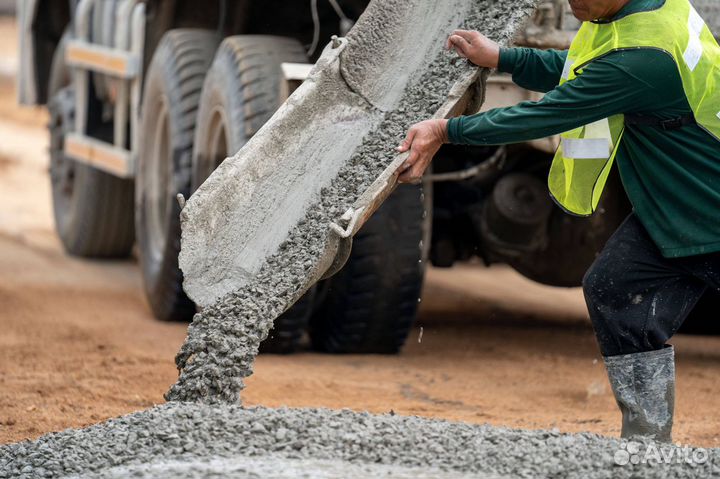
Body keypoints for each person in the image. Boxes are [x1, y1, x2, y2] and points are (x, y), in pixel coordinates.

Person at [397, 0, 720, 442]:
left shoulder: (645, 59)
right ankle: (647, 443)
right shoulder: (647, 16)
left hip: (709, 210)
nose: (571, 3)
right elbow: (586, 65)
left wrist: (446, 131)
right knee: (615, 288)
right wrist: (503, 58)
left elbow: (551, 112)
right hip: (680, 208)